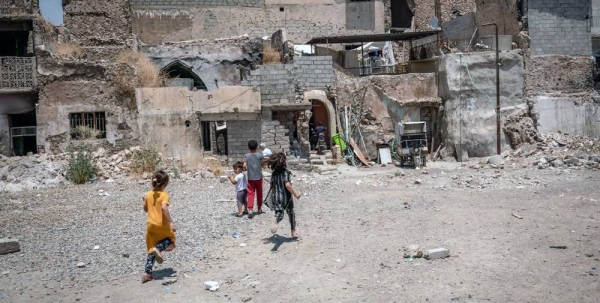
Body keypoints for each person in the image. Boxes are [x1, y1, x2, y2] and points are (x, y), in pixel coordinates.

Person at [142, 170, 176, 283]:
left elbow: (146, 209)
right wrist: (171, 222)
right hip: (161, 225)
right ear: (165, 183)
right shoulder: (164, 195)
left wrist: (144, 201)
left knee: (151, 248)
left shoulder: (147, 194)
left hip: (150, 225)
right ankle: (159, 248)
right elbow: (163, 208)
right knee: (170, 241)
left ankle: (147, 273)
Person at [263, 152, 301, 238]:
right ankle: (293, 231)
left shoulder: (274, 174)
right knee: (290, 212)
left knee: (280, 214)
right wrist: (296, 194)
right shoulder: (286, 173)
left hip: (276, 197)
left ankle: (276, 221)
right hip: (286, 197)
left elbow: (271, 185)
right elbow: (287, 185)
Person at [243, 140, 264, 218]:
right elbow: (263, 164)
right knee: (259, 192)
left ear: (248, 147)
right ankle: (259, 208)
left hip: (251, 178)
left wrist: (245, 169)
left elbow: (244, 165)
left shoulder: (246, 156)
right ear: (257, 147)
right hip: (259, 177)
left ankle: (250, 209)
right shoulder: (260, 155)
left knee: (250, 193)